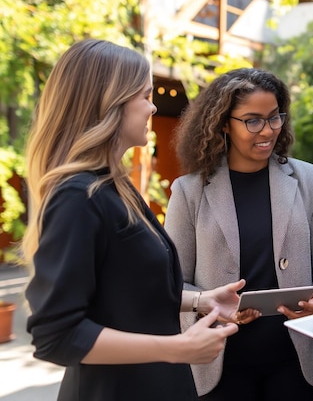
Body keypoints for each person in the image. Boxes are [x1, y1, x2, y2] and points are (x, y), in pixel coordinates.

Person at [22, 39, 242, 401]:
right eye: (144, 95)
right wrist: (177, 348)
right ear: (110, 103)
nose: (153, 106)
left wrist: (201, 301)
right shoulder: (79, 197)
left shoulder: (112, 187)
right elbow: (56, 336)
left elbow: (124, 292)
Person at [164, 67, 313, 401]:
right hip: (218, 366)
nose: (268, 130)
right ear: (223, 124)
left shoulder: (311, 180)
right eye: (253, 120)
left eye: (275, 118)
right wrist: (211, 304)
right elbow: (172, 283)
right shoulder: (189, 192)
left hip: (296, 362)